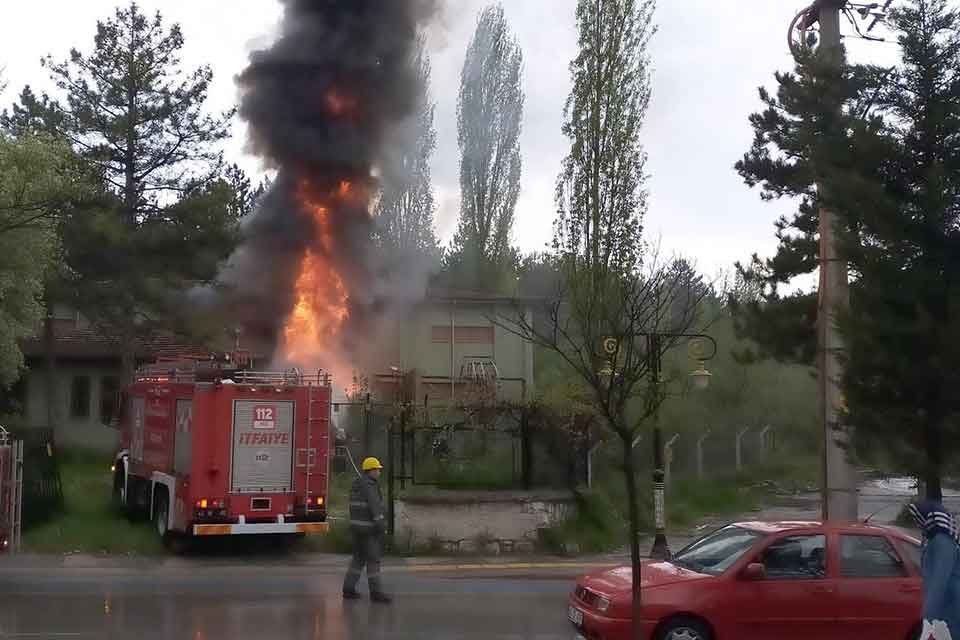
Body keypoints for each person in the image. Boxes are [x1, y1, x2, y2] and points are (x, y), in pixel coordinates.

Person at [908, 499, 960, 640]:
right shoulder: (935, 540)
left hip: (949, 606)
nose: (916, 521)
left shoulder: (942, 542)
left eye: (917, 516)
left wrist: (927, 617)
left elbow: (939, 580)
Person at [342, 456, 392, 603]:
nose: (379, 472)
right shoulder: (370, 486)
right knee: (373, 561)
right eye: (377, 469)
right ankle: (376, 593)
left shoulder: (356, 485)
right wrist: (382, 527)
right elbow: (375, 508)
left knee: (357, 560)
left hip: (356, 529)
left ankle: (348, 589)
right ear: (370, 470)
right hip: (369, 530)